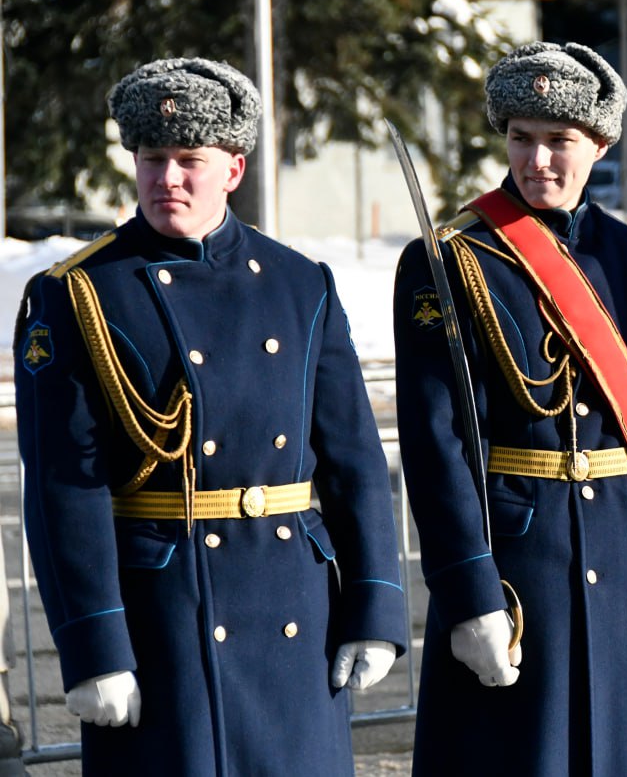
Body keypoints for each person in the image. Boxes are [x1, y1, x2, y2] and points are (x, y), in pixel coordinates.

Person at [12, 58, 407, 776]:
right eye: (151, 159)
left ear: (234, 167)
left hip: (295, 613)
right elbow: (66, 489)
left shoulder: (300, 283)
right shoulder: (77, 293)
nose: (167, 179)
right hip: (167, 621)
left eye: (189, 160)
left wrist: (375, 608)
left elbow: (353, 461)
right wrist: (95, 648)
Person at [393, 41, 627, 776]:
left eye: (559, 141)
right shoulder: (452, 260)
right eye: (520, 139)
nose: (537, 160)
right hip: (516, 567)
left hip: (624, 562)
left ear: (599, 144)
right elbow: (437, 443)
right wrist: (469, 590)